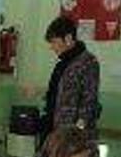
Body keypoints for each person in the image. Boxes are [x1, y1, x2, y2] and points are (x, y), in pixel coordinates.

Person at [41, 16, 101, 144]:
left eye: (54, 41)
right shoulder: (62, 63)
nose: (52, 47)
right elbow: (58, 94)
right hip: (54, 130)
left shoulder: (88, 62)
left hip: (71, 135)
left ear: (68, 39)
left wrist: (78, 131)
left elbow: (89, 101)